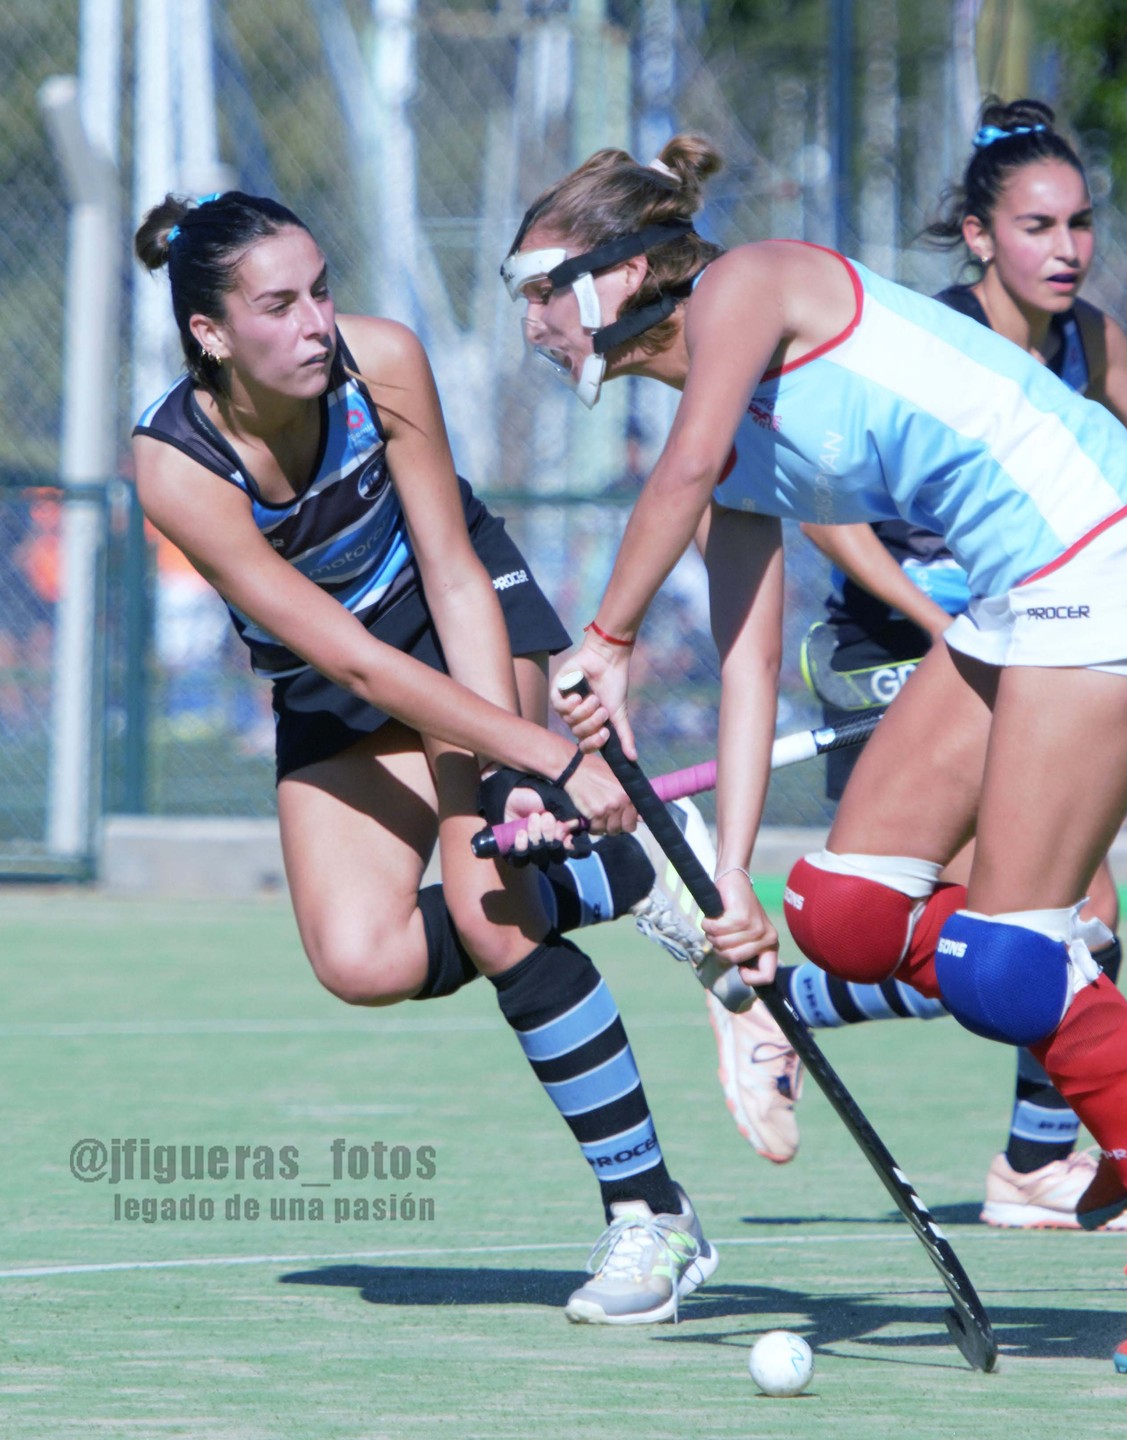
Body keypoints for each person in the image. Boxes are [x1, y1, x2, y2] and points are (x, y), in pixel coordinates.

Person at [504, 131, 1127, 1375]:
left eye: (538, 292)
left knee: (1010, 963)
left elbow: (678, 478)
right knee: (842, 911)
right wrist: (726, 879)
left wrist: (611, 638)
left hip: (1110, 567)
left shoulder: (752, 286)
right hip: (1016, 604)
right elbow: (745, 649)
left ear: (620, 274)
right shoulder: (723, 425)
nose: (531, 329)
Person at [129, 189, 722, 1326]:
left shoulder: (381, 361)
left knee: (497, 915)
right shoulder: (179, 468)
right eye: (279, 304)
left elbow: (450, 566)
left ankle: (650, 1216)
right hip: (342, 677)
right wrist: (551, 758)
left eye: (321, 289)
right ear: (211, 333)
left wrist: (515, 760)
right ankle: (632, 869)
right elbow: (346, 660)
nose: (317, 323)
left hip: (461, 625)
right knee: (362, 958)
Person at [721, 98, 1127, 1233]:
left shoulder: (1089, 339)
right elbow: (833, 520)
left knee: (1059, 927)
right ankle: (805, 1022)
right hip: (899, 644)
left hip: (1037, 635)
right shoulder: (925, 338)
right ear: (980, 237)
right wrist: (950, 632)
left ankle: (1021, 1150)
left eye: (1081, 224)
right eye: (1038, 227)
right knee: (1036, 925)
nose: (1068, 250)